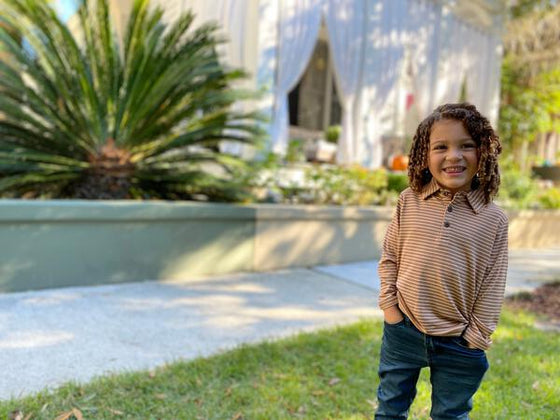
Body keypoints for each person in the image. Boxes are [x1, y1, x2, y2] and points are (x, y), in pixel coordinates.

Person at [375, 103, 509, 420]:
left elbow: (493, 285)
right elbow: (390, 257)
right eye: (441, 147)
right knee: (390, 408)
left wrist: (475, 338)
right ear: (425, 154)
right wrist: (390, 309)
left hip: (459, 340)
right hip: (403, 326)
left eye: (467, 146)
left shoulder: (493, 220)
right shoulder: (409, 200)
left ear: (484, 153)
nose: (453, 156)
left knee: (450, 415)